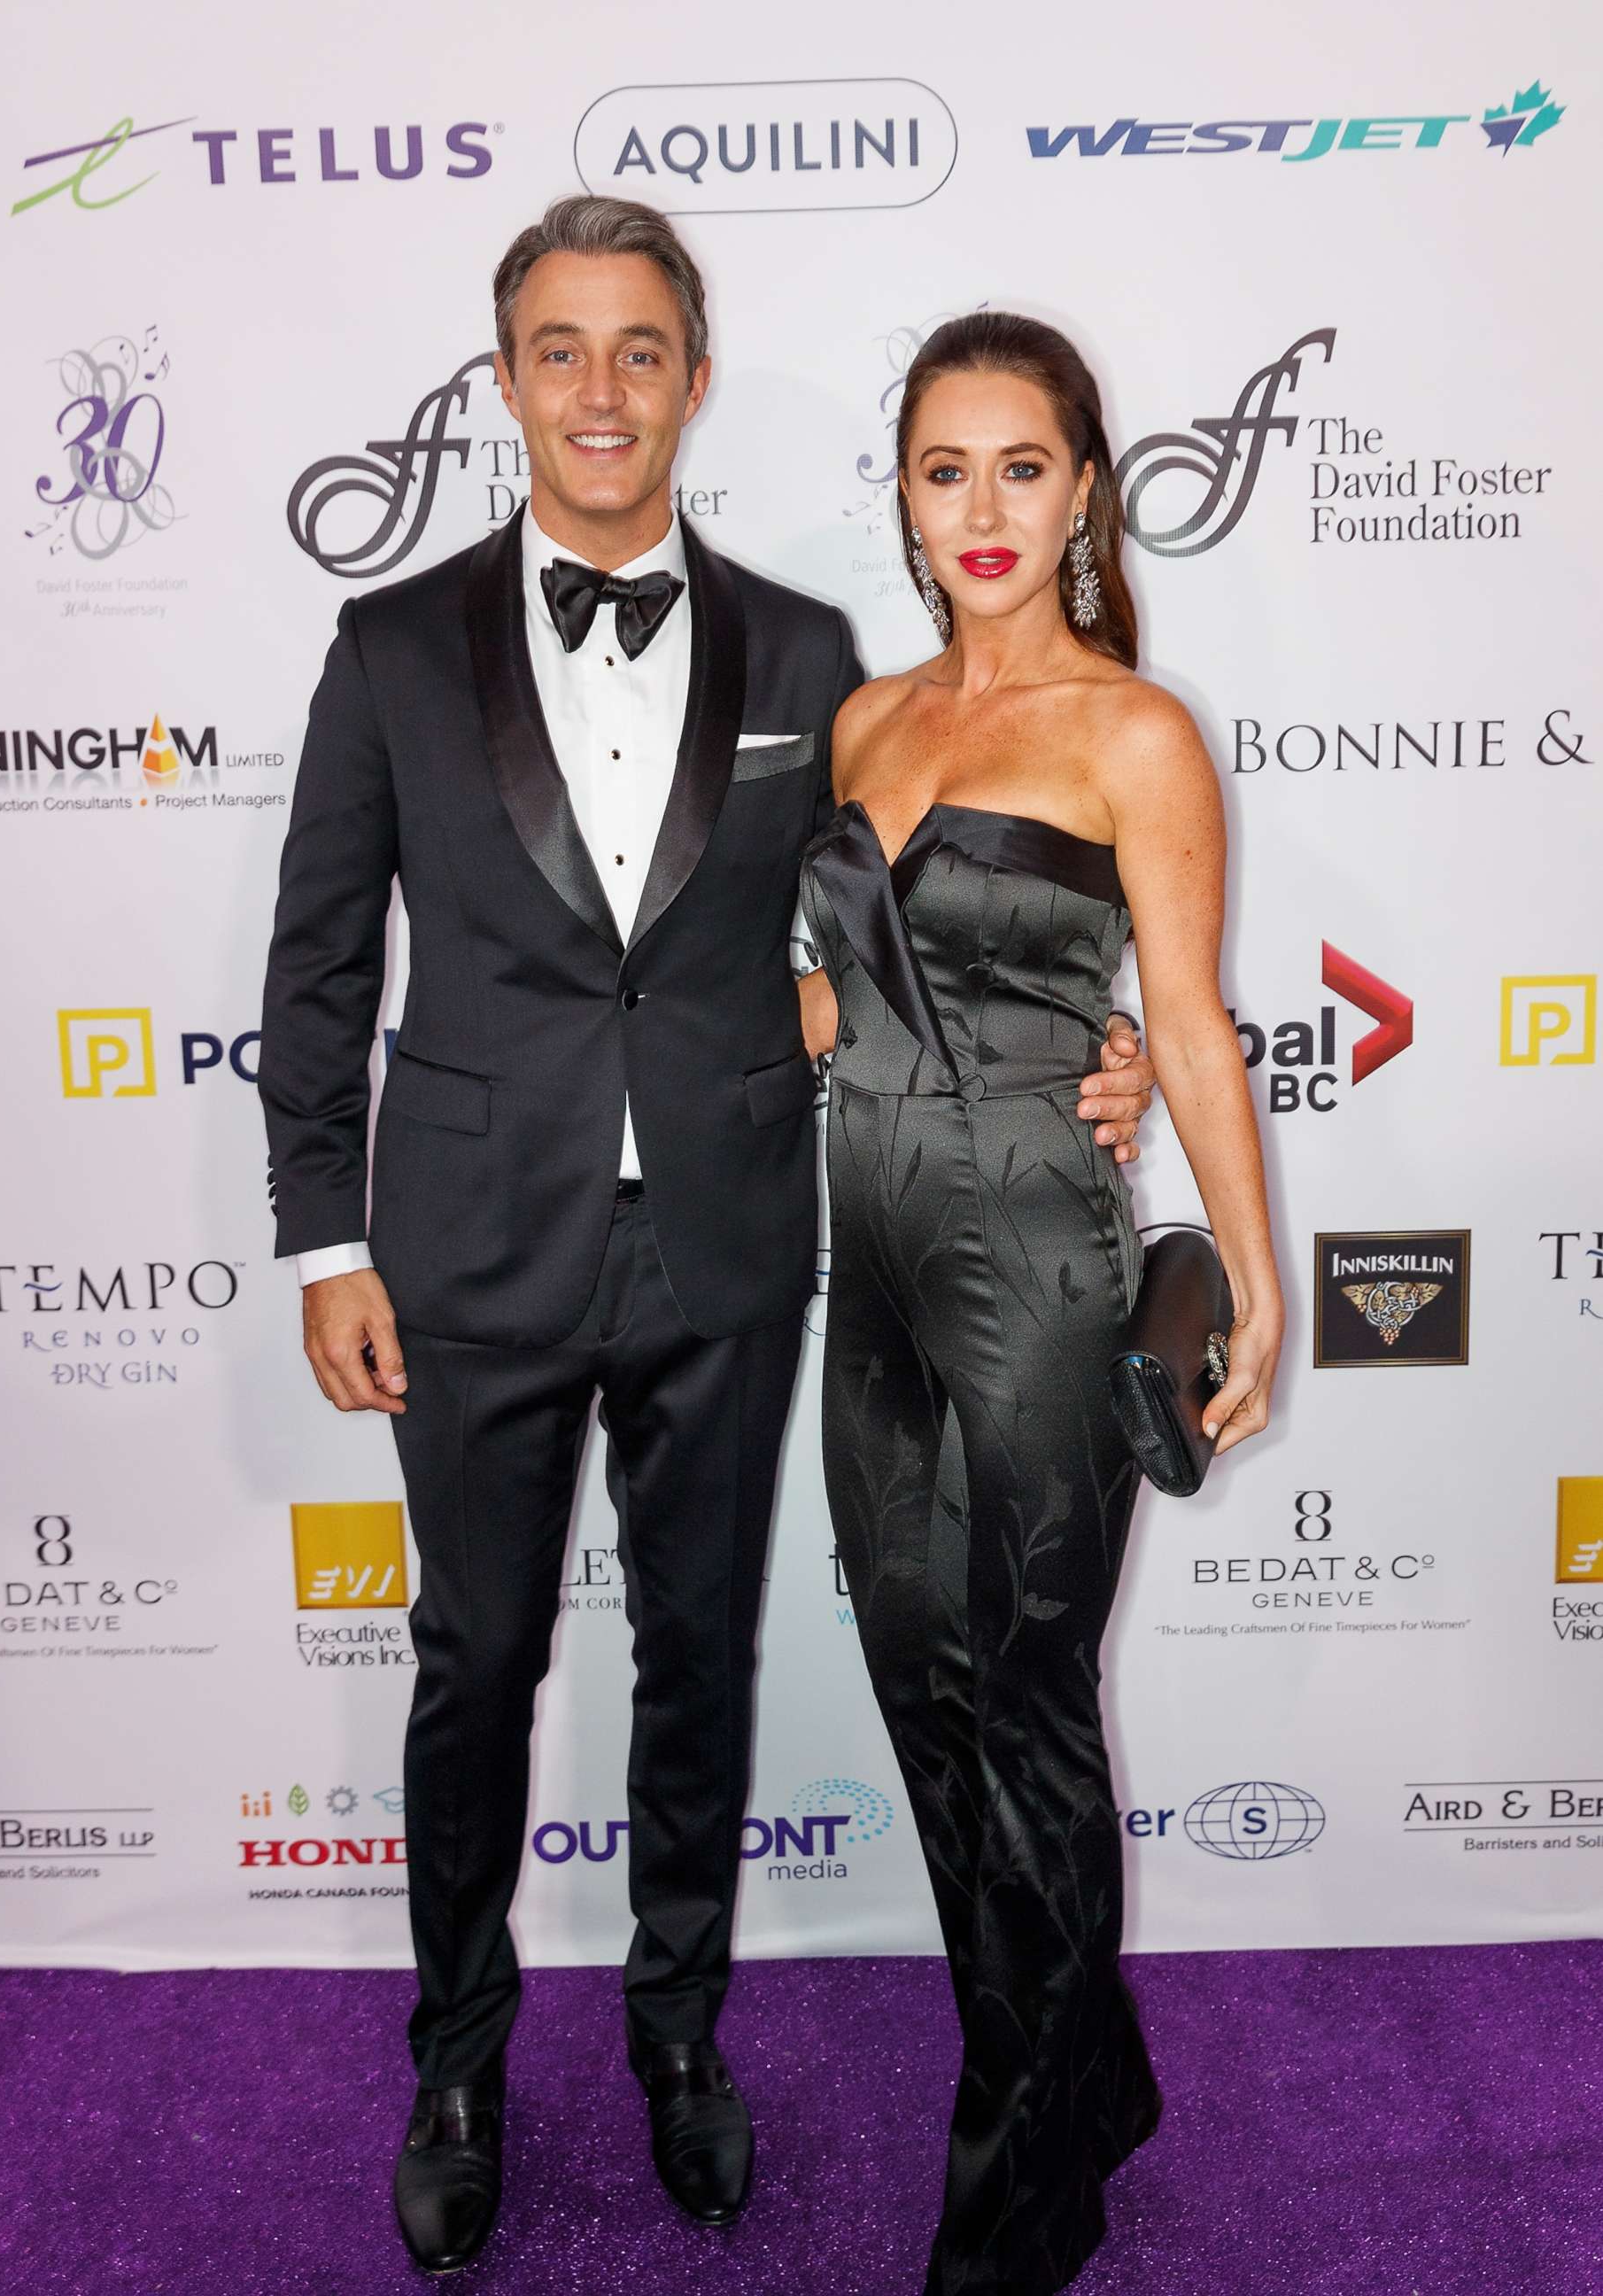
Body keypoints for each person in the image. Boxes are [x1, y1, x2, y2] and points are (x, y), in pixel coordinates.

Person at [259, 201, 1158, 2277]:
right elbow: (316, 970)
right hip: (466, 1249)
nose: (597, 390)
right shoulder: (390, 647)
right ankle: (458, 2068)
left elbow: (905, 948)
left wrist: (1094, 1050)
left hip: (736, 1248)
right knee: (474, 1665)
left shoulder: (809, 656)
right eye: (557, 351)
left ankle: (680, 2040)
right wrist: (326, 1246)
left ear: (693, 372)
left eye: (638, 349)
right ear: (502, 384)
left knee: (697, 1665)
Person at [802, 312, 1284, 2295]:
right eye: (944, 472)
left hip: (1036, 1278)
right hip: (873, 1278)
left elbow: (1179, 1021)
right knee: (925, 1706)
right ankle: (1088, 2059)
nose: (982, 509)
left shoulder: (1130, 731)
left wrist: (1255, 1280)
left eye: (1021, 468)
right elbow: (829, 988)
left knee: (1026, 1718)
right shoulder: (861, 720)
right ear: (904, 506)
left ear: (1081, 489)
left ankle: (1017, 2182)